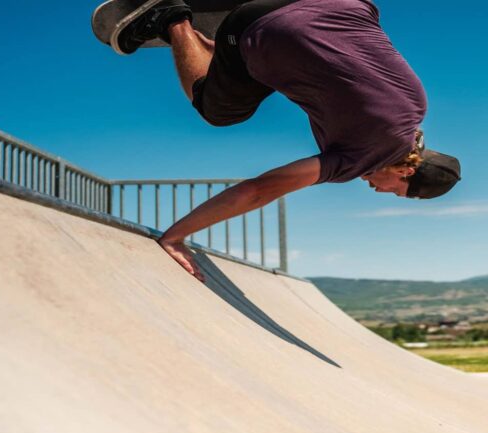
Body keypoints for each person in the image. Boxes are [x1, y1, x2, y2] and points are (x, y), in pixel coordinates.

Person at [109, 0, 461, 280]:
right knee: (220, 112)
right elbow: (258, 190)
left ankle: (225, 39)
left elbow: (335, 59)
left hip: (343, 4)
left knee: (261, 71)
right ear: (406, 173)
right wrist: (174, 236)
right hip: (263, 27)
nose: (379, 190)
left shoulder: (416, 106)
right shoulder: (359, 159)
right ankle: (172, 18)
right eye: (395, 192)